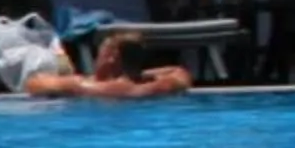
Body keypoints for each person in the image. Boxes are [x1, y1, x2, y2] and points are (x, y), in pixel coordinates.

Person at [13, 28, 192, 101]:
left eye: (100, 52)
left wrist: (78, 81)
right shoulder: (156, 86)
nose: (96, 58)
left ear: (111, 57)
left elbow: (33, 83)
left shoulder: (83, 85)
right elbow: (180, 72)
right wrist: (138, 74)